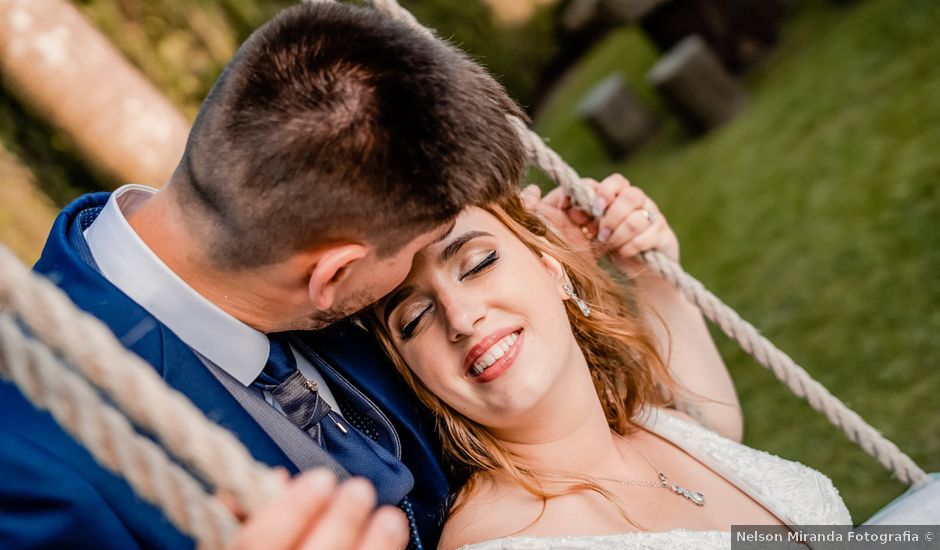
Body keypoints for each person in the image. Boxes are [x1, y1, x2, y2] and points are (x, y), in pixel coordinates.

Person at [0, 3, 527, 549]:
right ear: (333, 274)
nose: (413, 277)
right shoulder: (29, 461)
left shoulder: (286, 267)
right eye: (417, 249)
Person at [369, 175, 852, 549]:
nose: (461, 317)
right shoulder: (499, 541)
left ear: (550, 268)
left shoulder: (664, 428)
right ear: (416, 373)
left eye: (477, 264)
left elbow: (719, 424)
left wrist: (651, 269)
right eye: (413, 319)